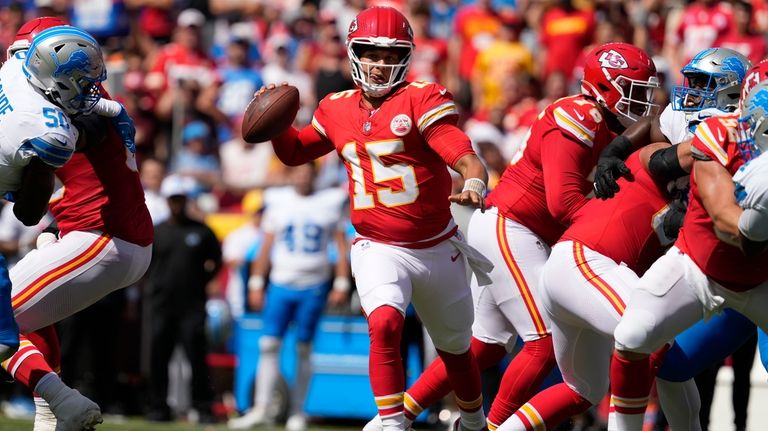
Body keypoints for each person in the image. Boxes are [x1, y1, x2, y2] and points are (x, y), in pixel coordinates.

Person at [367, 42, 660, 431]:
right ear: (604, 87)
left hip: (523, 234)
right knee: (541, 343)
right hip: (515, 227)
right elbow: (563, 203)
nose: (642, 102)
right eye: (633, 90)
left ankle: (396, 418)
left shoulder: (611, 127)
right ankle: (491, 427)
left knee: (486, 345)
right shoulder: (578, 114)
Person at [263, 6, 492, 431]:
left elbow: (463, 155)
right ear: (353, 52)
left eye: (391, 55)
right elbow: (296, 152)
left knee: (456, 350)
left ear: (407, 57)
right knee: (385, 322)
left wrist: (474, 181)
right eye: (370, 52)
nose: (380, 63)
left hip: (437, 245)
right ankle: (392, 424)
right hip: (378, 244)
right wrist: (277, 124)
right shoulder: (335, 108)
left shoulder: (422, 97)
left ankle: (475, 422)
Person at [0, 17, 153, 431]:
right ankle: (51, 413)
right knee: (29, 313)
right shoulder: (87, 99)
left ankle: (59, 398)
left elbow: (27, 209)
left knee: (2, 321)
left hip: (103, 239)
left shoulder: (67, 118)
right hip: (106, 235)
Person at [496, 141, 700, 431]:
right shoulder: (655, 156)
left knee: (583, 388)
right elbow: (677, 148)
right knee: (653, 331)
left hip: (574, 274)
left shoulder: (695, 198)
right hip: (585, 261)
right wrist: (727, 144)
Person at [608, 78, 768, 431]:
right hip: (698, 266)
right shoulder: (717, 133)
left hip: (760, 281)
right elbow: (726, 220)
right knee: (634, 336)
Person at [228, 163, 349, 431]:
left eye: (308, 173)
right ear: (291, 175)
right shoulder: (278, 201)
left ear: (315, 176)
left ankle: (297, 411)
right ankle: (261, 408)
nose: (303, 177)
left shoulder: (329, 202)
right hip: (281, 283)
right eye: (299, 172)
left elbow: (341, 245)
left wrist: (341, 281)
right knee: (269, 345)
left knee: (304, 349)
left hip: (313, 284)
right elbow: (266, 245)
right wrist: (257, 282)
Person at [145, 174, 222, 423]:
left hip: (192, 305)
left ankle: (203, 407)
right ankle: (158, 407)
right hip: (161, 304)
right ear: (167, 201)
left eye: (180, 199)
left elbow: (217, 260)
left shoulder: (201, 231)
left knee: (197, 358)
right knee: (158, 358)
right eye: (172, 199)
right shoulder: (155, 232)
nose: (176, 204)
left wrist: (204, 280)